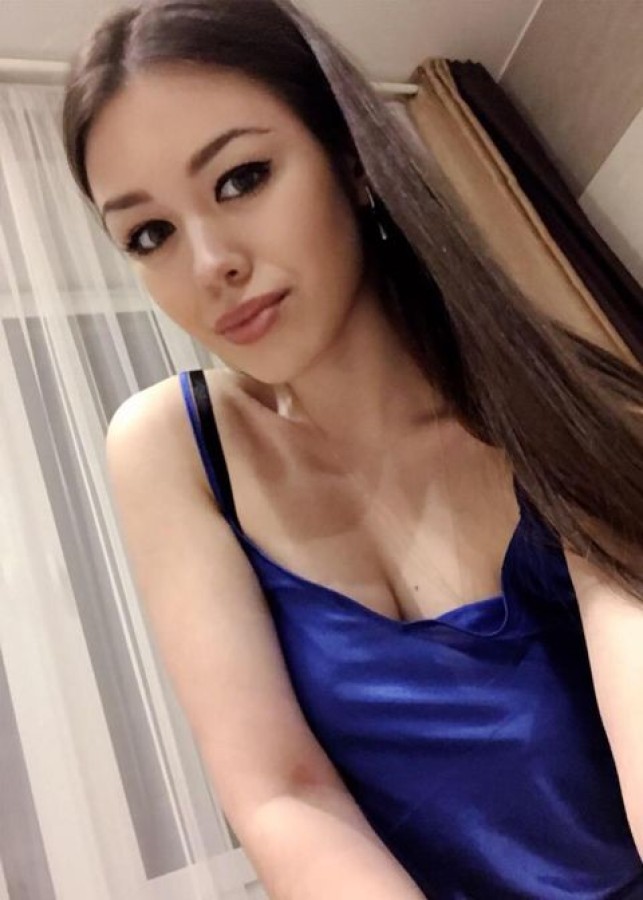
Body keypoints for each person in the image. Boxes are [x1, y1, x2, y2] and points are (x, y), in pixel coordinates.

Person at [62, 0, 643, 896]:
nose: (209, 263)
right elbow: (281, 794)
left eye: (240, 178)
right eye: (150, 234)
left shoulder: (548, 405)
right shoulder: (173, 447)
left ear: (351, 162)